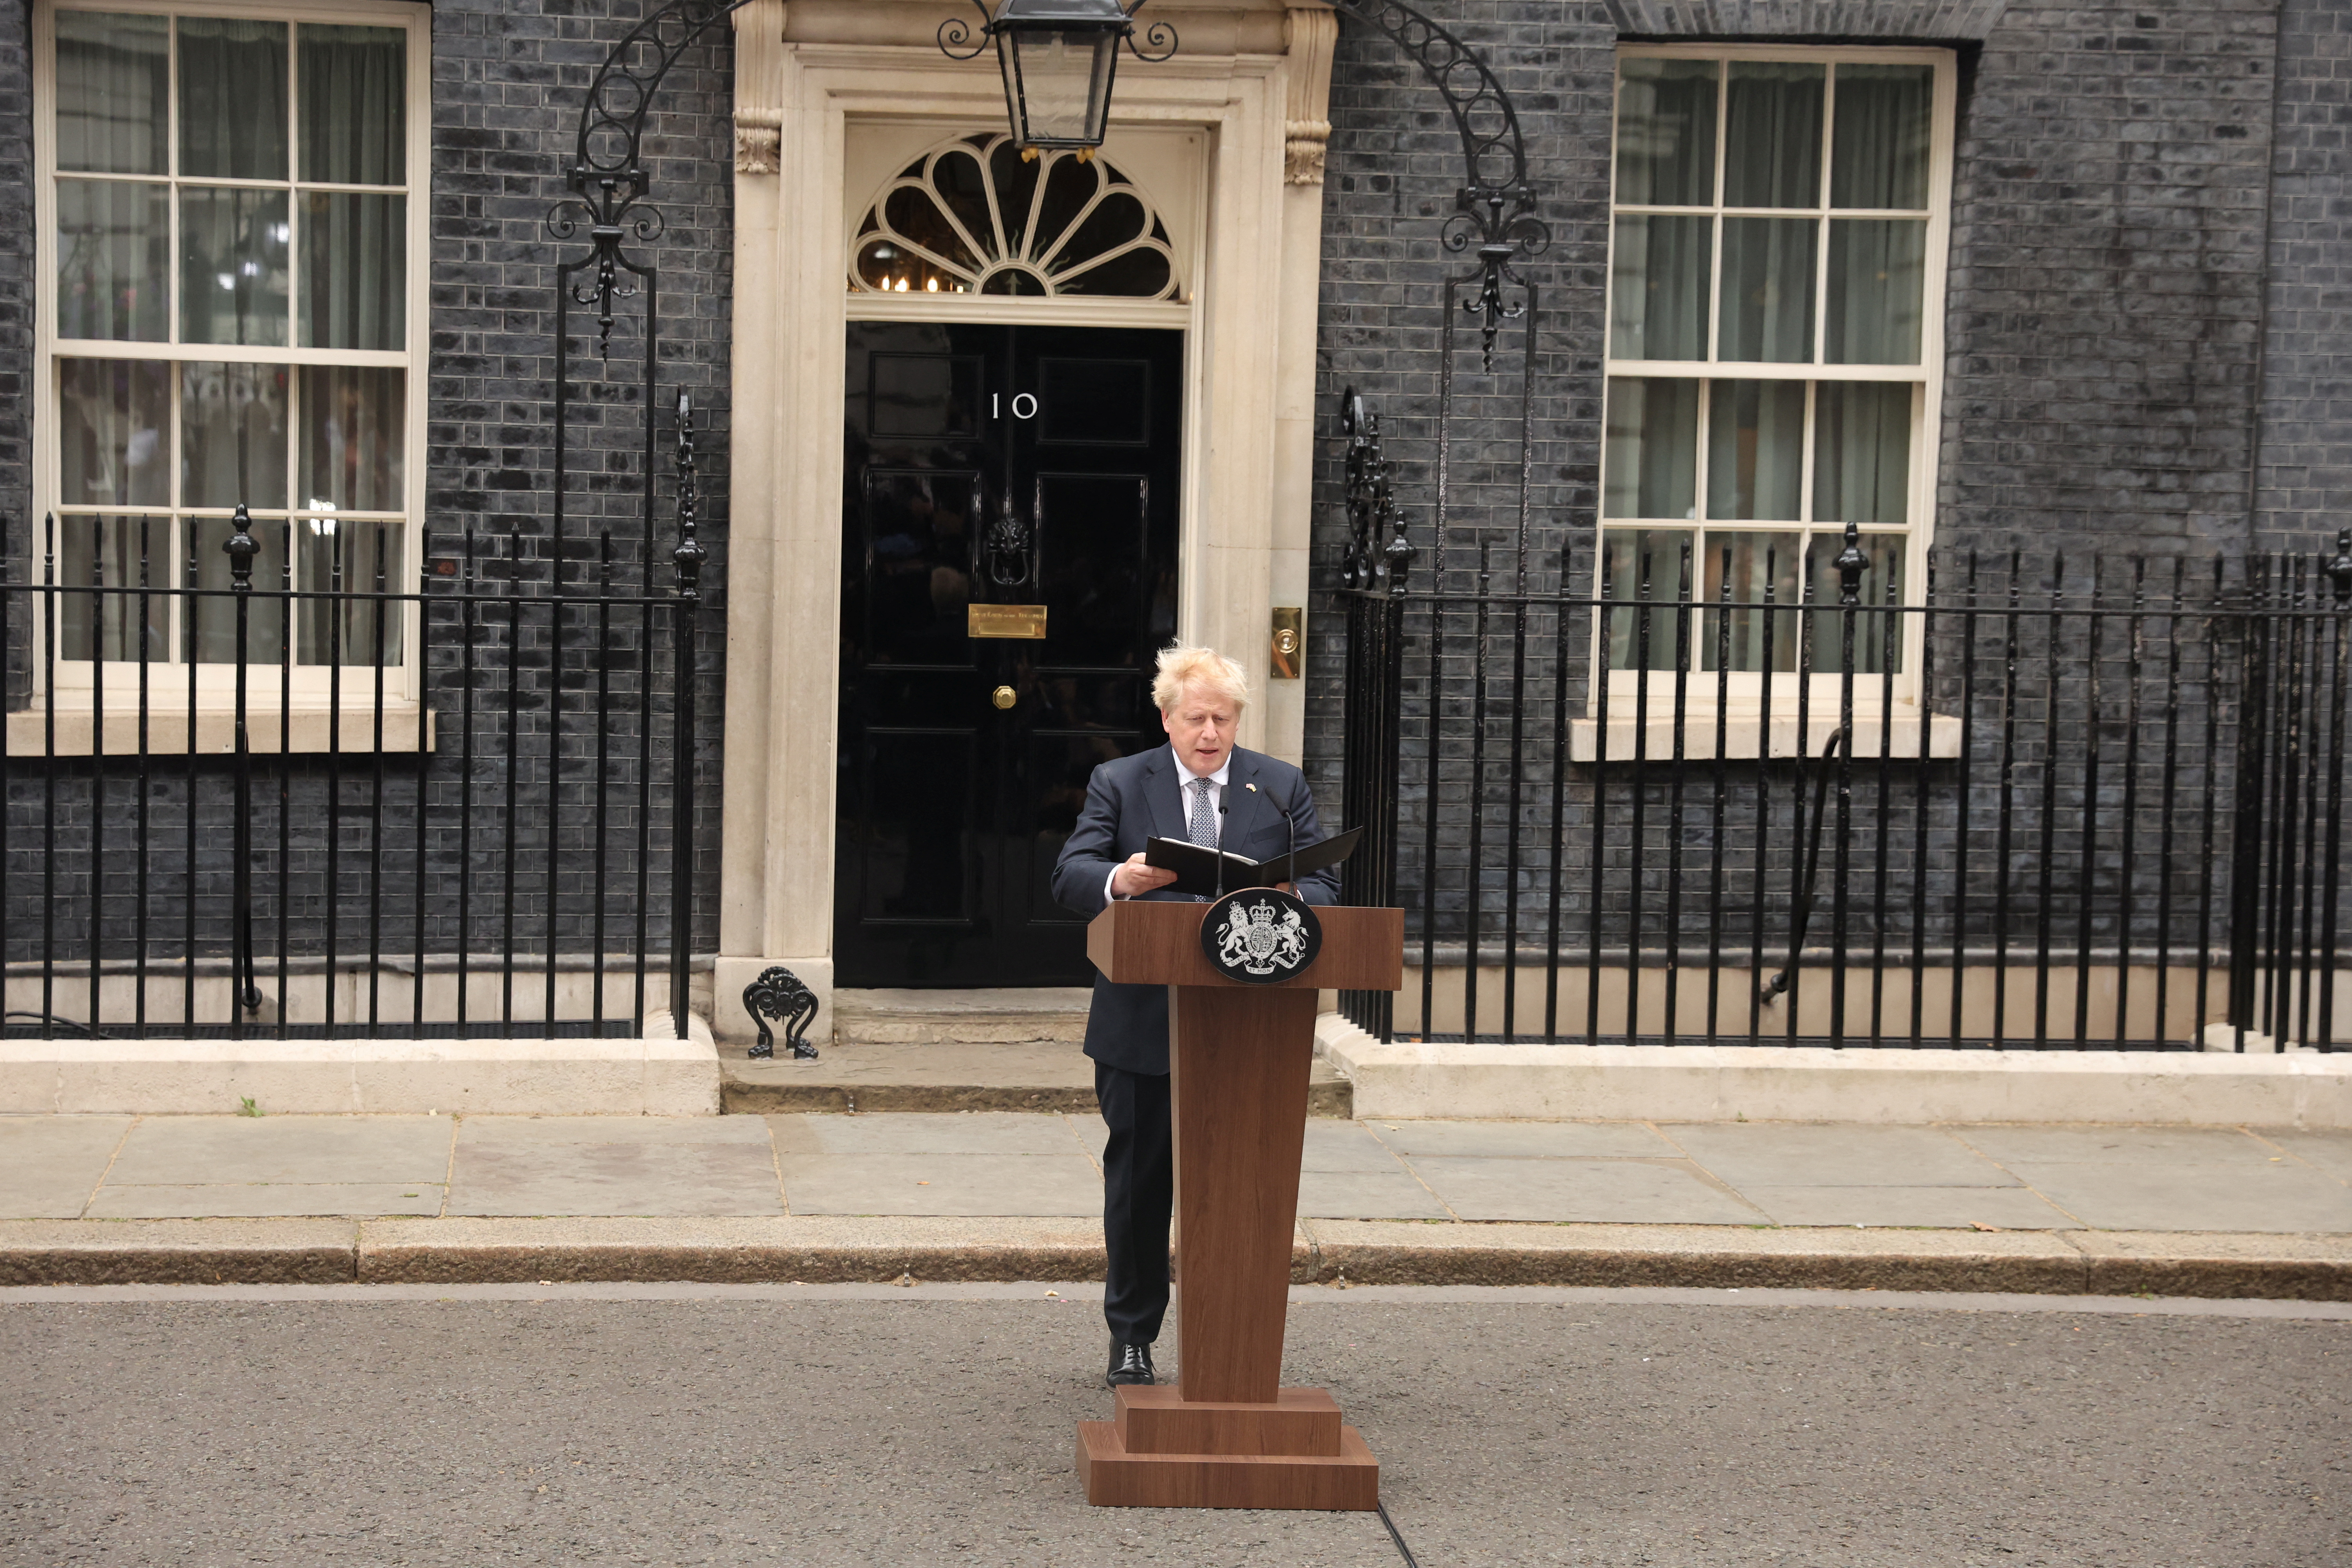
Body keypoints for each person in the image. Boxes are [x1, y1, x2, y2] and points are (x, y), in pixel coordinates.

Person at [1050, 645, 1339, 1389]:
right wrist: (1122, 877)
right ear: (1167, 718)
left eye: (1224, 718)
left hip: (1251, 1027)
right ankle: (1132, 1337)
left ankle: (1235, 1346)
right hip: (1143, 1021)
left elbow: (1325, 878)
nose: (1211, 733)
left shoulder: (1277, 786)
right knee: (1142, 1185)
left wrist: (1300, 900)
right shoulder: (1119, 780)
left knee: (1243, 1185)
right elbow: (1072, 873)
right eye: (1196, 718)